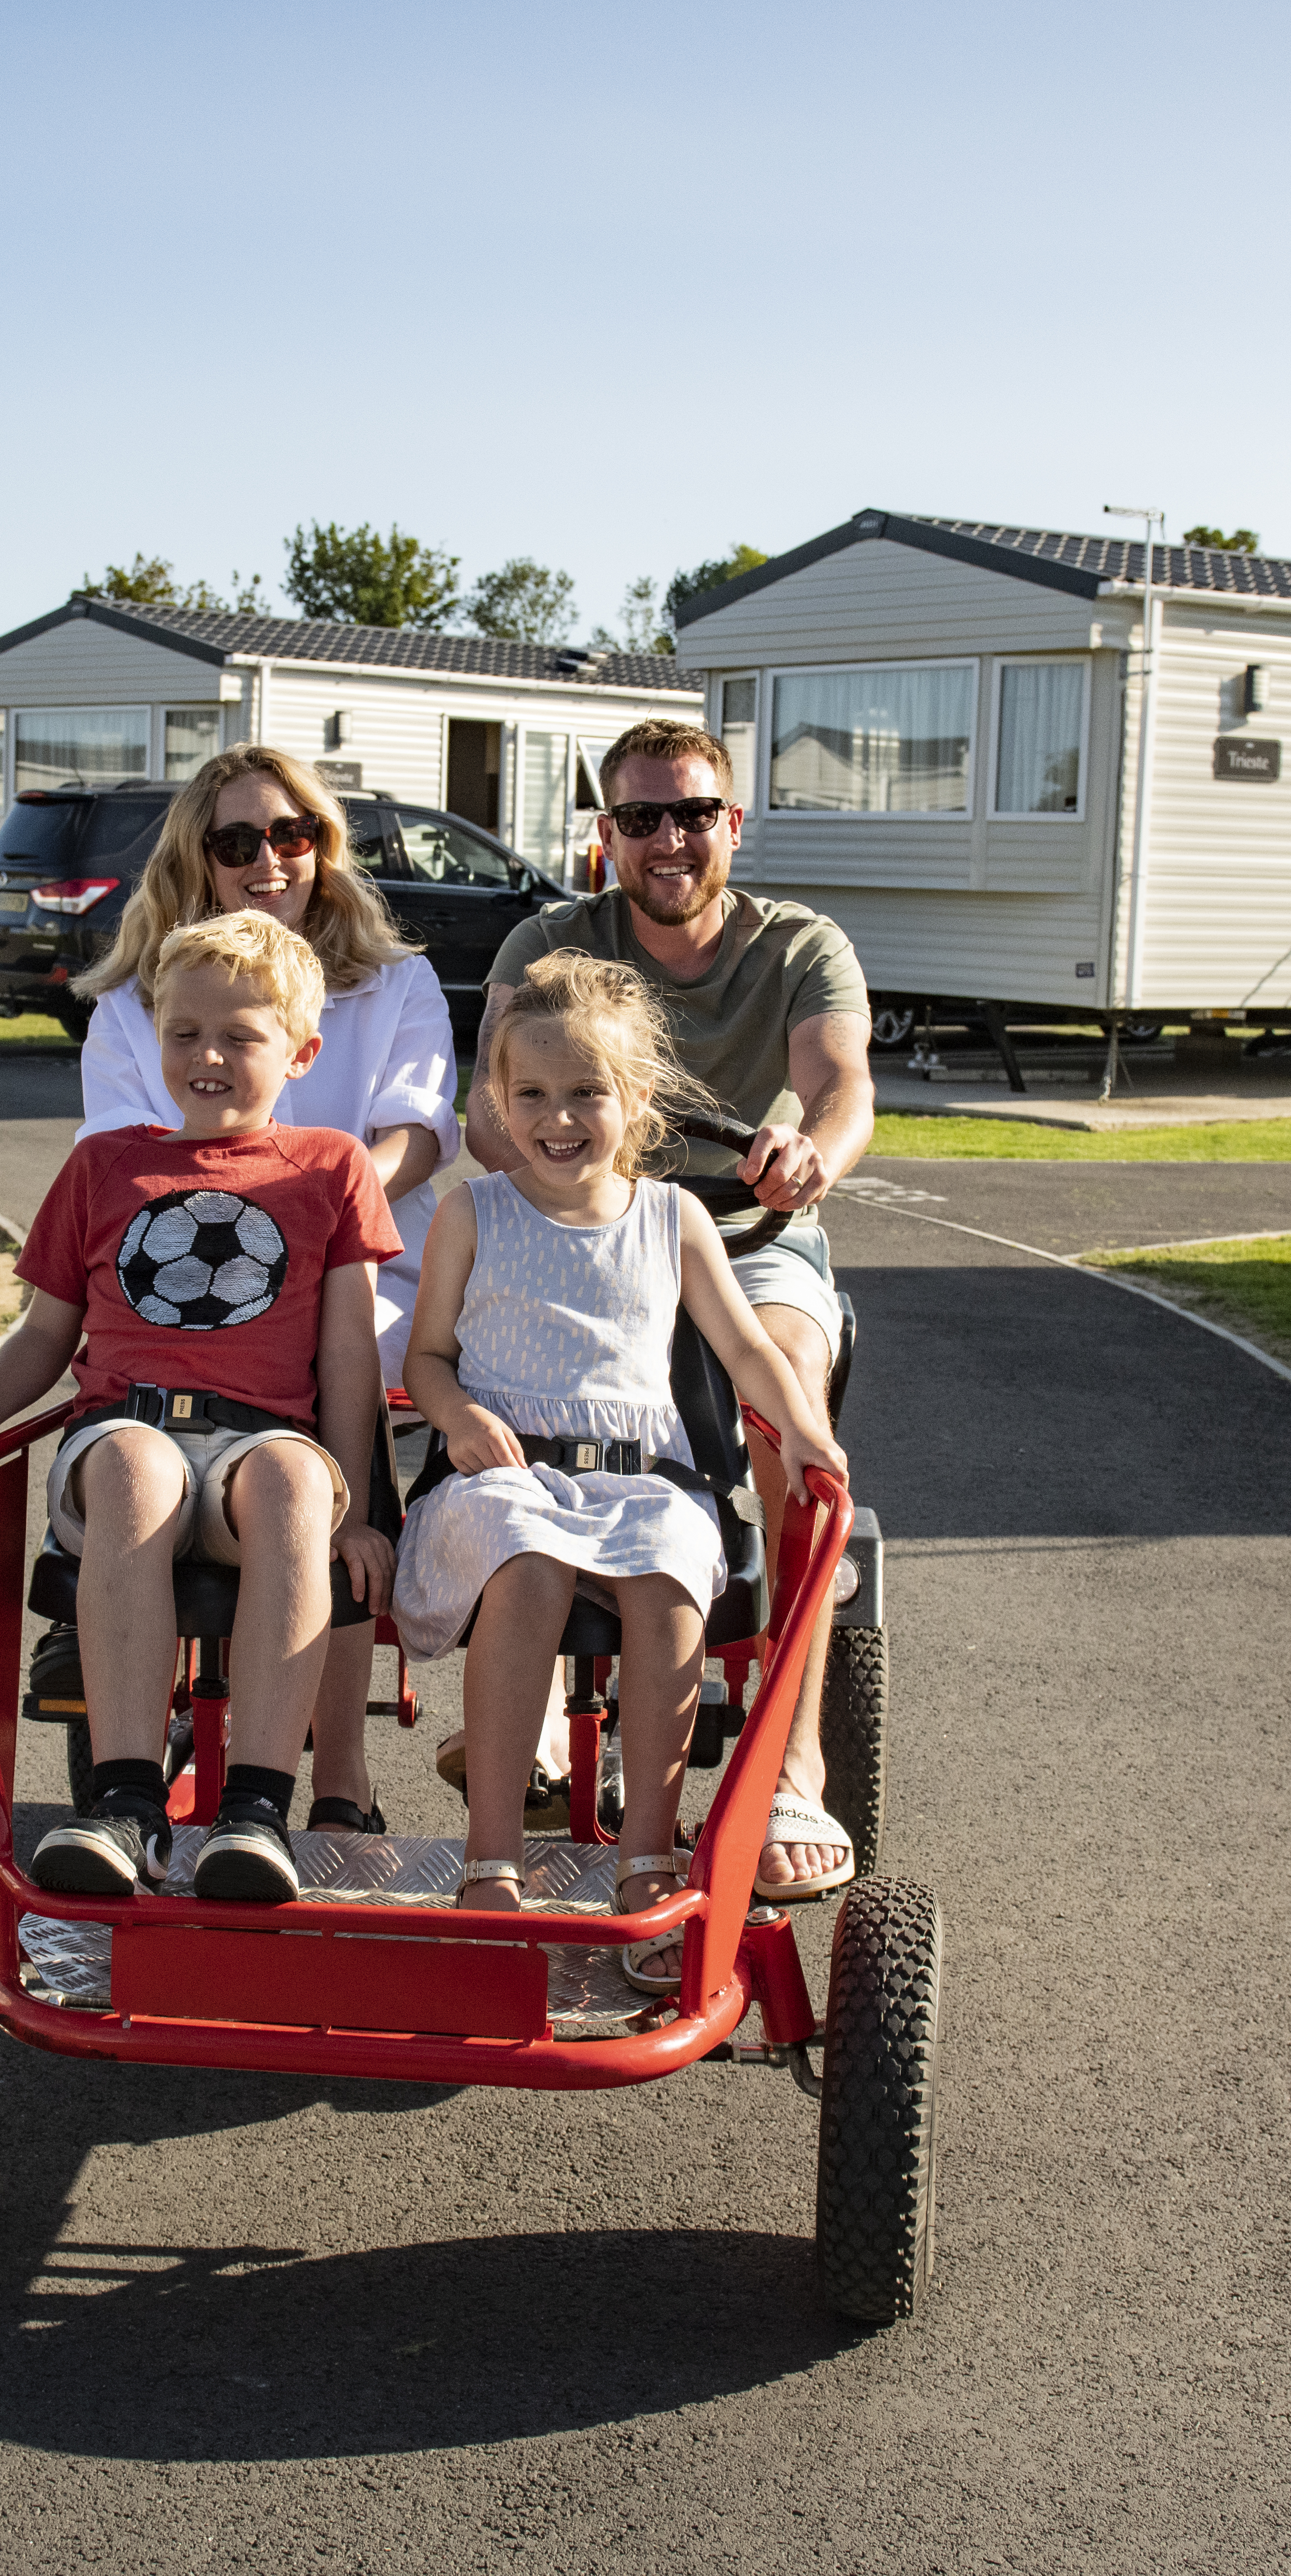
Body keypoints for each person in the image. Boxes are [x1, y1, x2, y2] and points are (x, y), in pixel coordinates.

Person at [0, 909, 401, 1904]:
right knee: (137, 1467)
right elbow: (46, 1334)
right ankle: (127, 1802)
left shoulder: (330, 1167)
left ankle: (256, 1812)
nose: (207, 1056)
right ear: (155, 1039)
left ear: (301, 1054)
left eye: (240, 1036)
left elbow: (350, 1356)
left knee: (292, 1480)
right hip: (124, 1432)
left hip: (258, 1444)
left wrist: (356, 1506)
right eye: (184, 1033)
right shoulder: (106, 1166)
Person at [475, 718, 875, 1903]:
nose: (670, 839)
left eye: (694, 813)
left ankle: (793, 1764)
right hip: (587, 1226)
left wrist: (810, 1151)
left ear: (732, 823)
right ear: (607, 833)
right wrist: (576, 1183)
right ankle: (534, 1724)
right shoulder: (552, 941)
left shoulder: (799, 944)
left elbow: (841, 1082)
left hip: (750, 1238)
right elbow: (490, 1105)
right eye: (641, 816)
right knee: (509, 1404)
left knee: (785, 1395)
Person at [398, 952, 847, 1989]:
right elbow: (427, 1358)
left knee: (672, 1567)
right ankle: (492, 1860)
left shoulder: (672, 1218)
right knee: (529, 1565)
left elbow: (747, 1350)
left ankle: (647, 1853)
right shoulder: (475, 1214)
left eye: (587, 1094)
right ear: (499, 1102)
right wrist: (457, 1416)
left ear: (638, 1099)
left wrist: (803, 1430)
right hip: (506, 1475)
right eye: (532, 1096)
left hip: (640, 1478)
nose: (558, 1120)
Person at [73, 745, 453, 1833]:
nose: (268, 859)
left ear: (323, 848)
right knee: (196, 1384)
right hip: (189, 1275)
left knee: (346, 1366)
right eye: (236, 840)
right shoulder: (138, 1001)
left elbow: (419, 1131)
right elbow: (128, 1164)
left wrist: (313, 1212)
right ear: (196, 858)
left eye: (292, 834)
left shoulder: (393, 982)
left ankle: (339, 1778)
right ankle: (137, 1731)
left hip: (363, 1256)